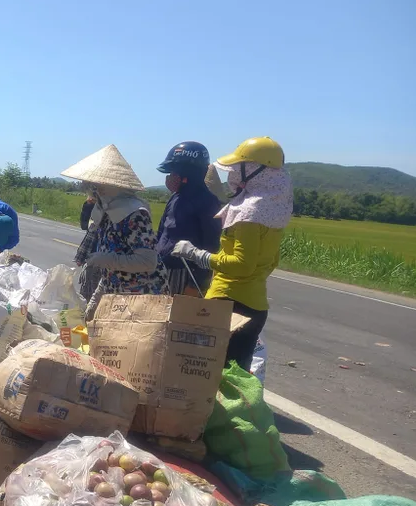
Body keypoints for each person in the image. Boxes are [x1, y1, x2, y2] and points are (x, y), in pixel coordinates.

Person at [172, 136, 293, 372]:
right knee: (236, 377)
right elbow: (270, 261)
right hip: (255, 303)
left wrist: (196, 254)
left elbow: (242, 264)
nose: (233, 172)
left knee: (208, 375)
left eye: (239, 167)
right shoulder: (274, 207)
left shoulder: (250, 211)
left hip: (230, 303)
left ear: (255, 170)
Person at [60, 144, 167, 319]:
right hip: (117, 297)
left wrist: (107, 259)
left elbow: (148, 261)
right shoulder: (107, 212)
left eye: (93, 186)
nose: (90, 190)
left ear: (102, 187)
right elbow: (113, 270)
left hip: (141, 299)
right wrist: (96, 299)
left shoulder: (135, 214)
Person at [155, 141, 223, 295]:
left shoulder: (207, 201)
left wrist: (196, 284)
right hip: (161, 270)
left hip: (185, 275)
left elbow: (211, 245)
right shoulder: (176, 197)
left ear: (189, 173)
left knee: (177, 318)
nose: (171, 176)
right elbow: (161, 233)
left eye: (174, 171)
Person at [74, 187, 104, 300]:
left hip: (104, 258)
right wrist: (88, 205)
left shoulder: (115, 209)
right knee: (87, 294)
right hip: (92, 253)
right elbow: (84, 225)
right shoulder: (92, 205)